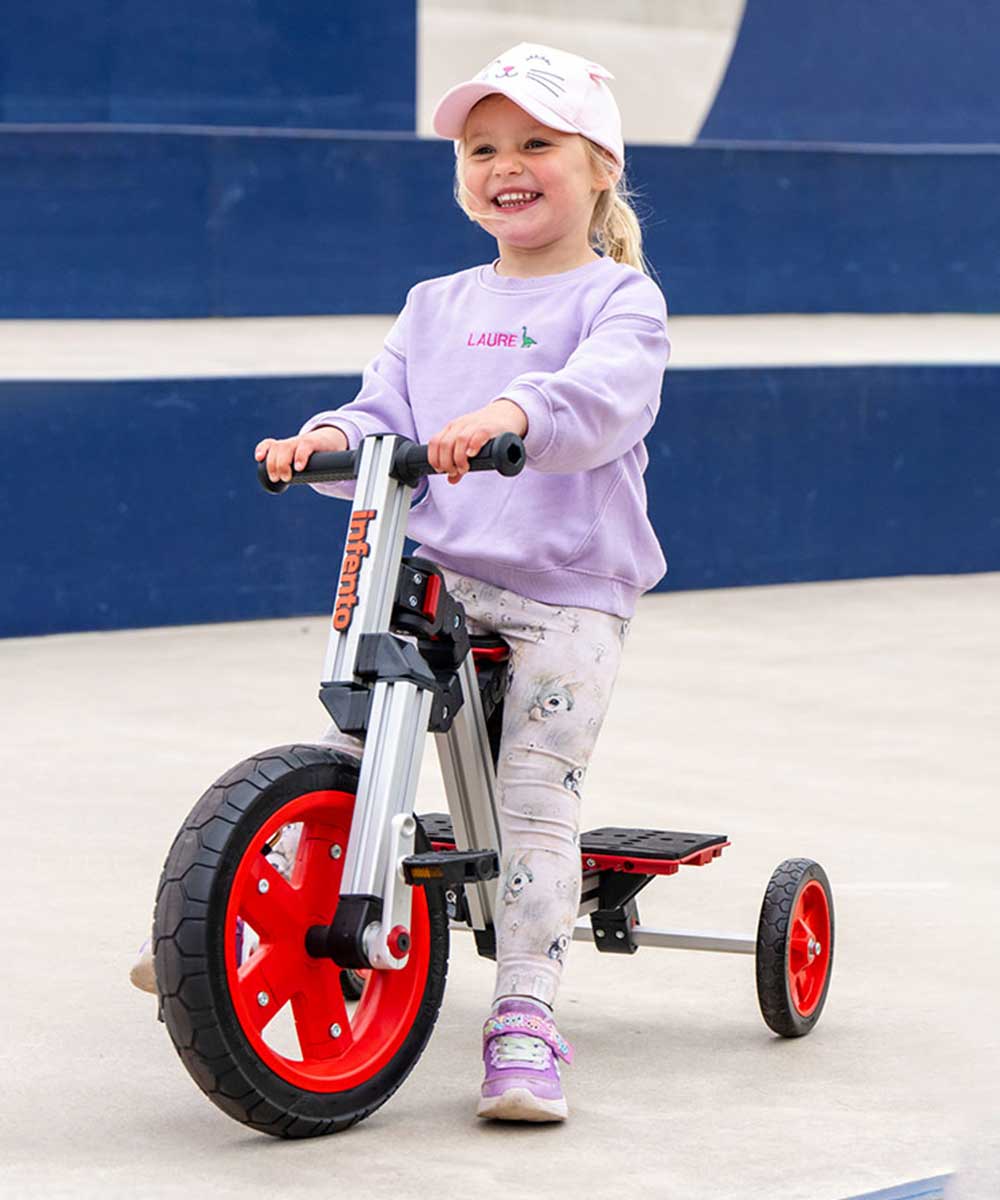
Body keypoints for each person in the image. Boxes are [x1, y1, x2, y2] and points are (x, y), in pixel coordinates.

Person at [136, 41, 671, 1124]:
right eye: (481, 148)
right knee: (349, 753)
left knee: (533, 797)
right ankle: (227, 929)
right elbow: (381, 413)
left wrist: (514, 414)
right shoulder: (433, 304)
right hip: (440, 572)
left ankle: (524, 1013)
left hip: (566, 589)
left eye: (536, 143)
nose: (504, 165)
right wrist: (324, 439)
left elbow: (603, 400)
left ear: (600, 167)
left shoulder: (620, 300)